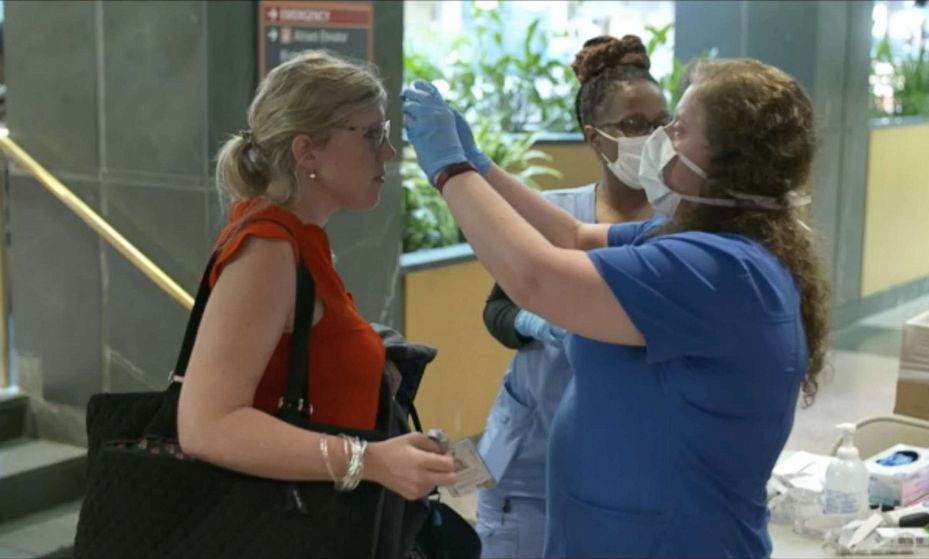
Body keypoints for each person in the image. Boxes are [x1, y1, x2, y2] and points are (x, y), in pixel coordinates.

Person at [402, 57, 829, 558]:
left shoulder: (717, 269)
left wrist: (449, 170)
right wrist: (481, 167)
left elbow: (538, 277)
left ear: (729, 159)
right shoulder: (699, 238)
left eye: (679, 127)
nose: (660, 138)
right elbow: (572, 235)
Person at [176, 50, 456, 534]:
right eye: (372, 134)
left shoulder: (298, 239)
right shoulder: (267, 248)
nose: (388, 152)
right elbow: (207, 425)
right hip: (285, 527)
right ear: (307, 151)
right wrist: (368, 461)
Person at [475, 35, 663, 559]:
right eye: (632, 125)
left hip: (628, 468)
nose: (651, 136)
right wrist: (534, 323)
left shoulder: (682, 230)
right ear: (594, 136)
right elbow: (497, 309)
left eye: (661, 123)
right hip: (529, 462)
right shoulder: (554, 214)